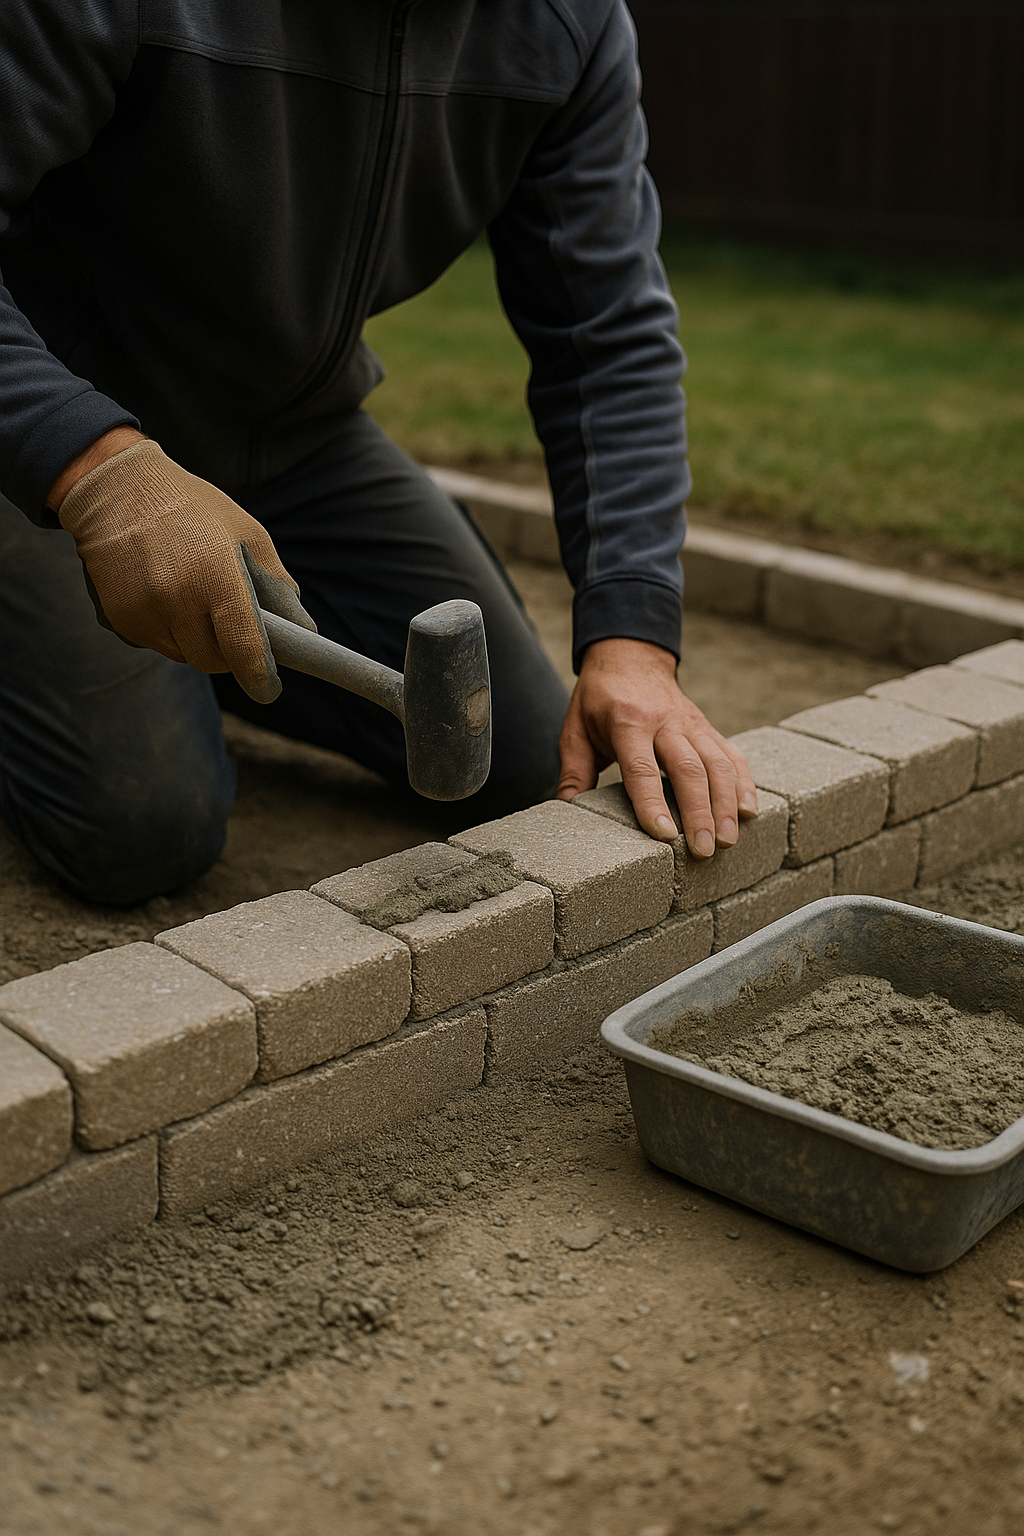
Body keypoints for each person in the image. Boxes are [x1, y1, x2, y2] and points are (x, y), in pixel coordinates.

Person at [0, 0, 756, 907]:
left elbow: (607, 336)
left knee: (516, 761)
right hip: (48, 442)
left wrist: (634, 642)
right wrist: (97, 470)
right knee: (143, 828)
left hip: (293, 434)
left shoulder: (570, 26)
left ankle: (194, 641)